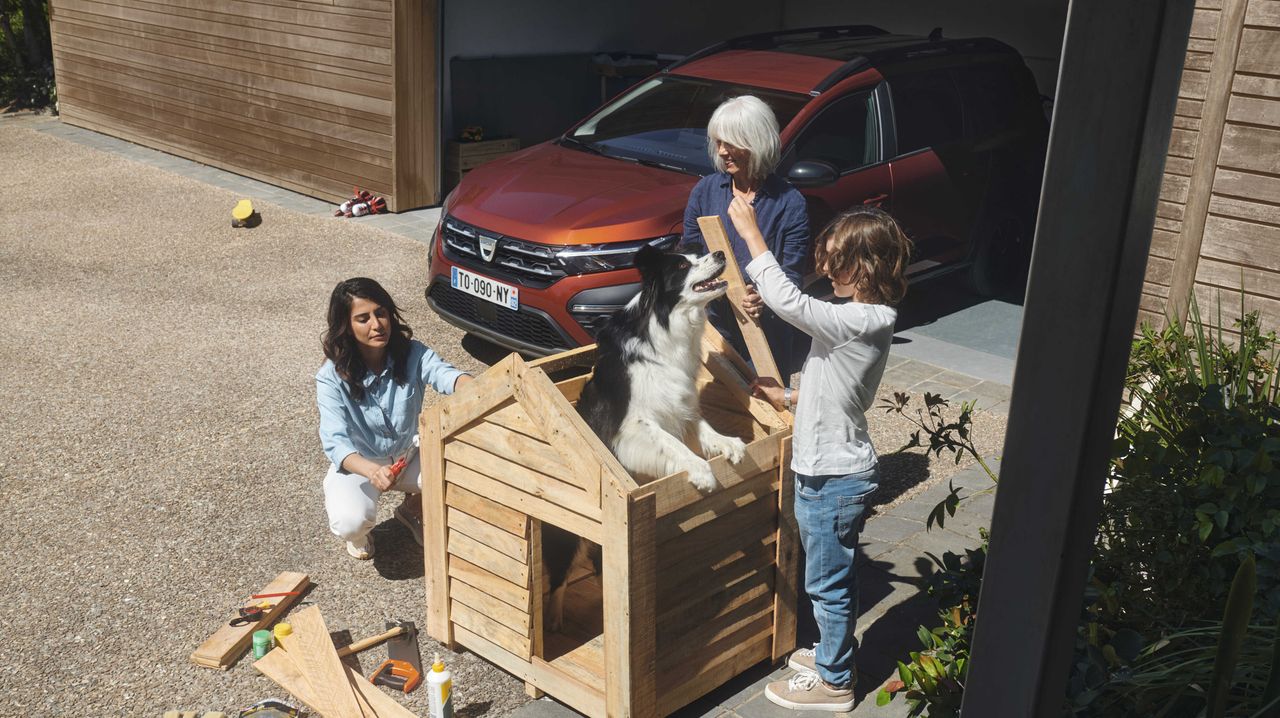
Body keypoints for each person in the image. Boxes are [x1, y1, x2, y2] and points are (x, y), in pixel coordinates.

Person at [728, 201, 911, 711]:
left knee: (827, 585)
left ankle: (834, 684)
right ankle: (834, 653)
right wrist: (786, 397)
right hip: (826, 472)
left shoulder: (863, 318)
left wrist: (748, 232)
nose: (824, 268)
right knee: (828, 578)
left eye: (835, 260)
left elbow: (789, 302)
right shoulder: (857, 321)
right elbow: (833, 380)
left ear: (866, 265)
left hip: (833, 477)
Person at [316, 277, 472, 560]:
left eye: (381, 313)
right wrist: (372, 471)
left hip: (409, 455)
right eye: (363, 319)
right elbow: (335, 442)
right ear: (346, 327)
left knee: (465, 473)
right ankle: (359, 536)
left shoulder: (412, 352)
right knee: (349, 522)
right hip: (360, 464)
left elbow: (444, 374)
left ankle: (413, 507)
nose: (377, 325)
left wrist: (475, 386)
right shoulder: (330, 376)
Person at [684, 94, 810, 379]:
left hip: (765, 331)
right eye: (718, 142)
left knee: (768, 405)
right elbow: (689, 253)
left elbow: (792, 275)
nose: (723, 151)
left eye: (731, 143)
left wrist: (763, 298)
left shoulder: (789, 202)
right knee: (717, 404)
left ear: (756, 142)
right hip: (714, 323)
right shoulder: (705, 192)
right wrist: (702, 283)